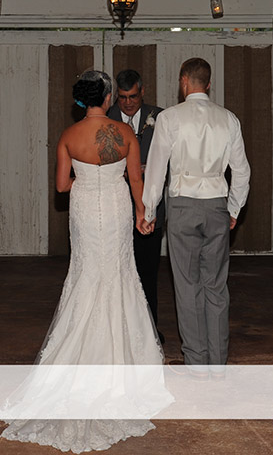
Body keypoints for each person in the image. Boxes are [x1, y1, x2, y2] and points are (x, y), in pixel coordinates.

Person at [0, 70, 172, 453]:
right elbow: (136, 182)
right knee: (120, 274)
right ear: (108, 98)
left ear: (82, 100)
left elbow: (62, 186)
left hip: (83, 211)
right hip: (116, 207)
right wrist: (143, 214)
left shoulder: (68, 135)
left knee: (86, 274)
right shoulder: (125, 134)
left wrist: (87, 182)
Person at [142, 57, 250, 371]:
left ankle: (196, 361)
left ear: (183, 81)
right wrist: (234, 208)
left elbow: (157, 169)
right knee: (215, 285)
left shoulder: (170, 118)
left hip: (183, 205)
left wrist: (149, 210)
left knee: (187, 285)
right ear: (209, 83)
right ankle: (217, 362)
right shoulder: (228, 119)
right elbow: (242, 171)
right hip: (216, 204)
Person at [107, 68, 166, 343]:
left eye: (133, 96)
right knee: (116, 273)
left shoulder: (160, 117)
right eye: (122, 97)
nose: (128, 103)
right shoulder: (105, 118)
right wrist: (126, 171)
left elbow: (172, 157)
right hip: (115, 206)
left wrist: (151, 170)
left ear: (142, 91)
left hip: (150, 207)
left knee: (147, 272)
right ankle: (117, 332)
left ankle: (149, 330)